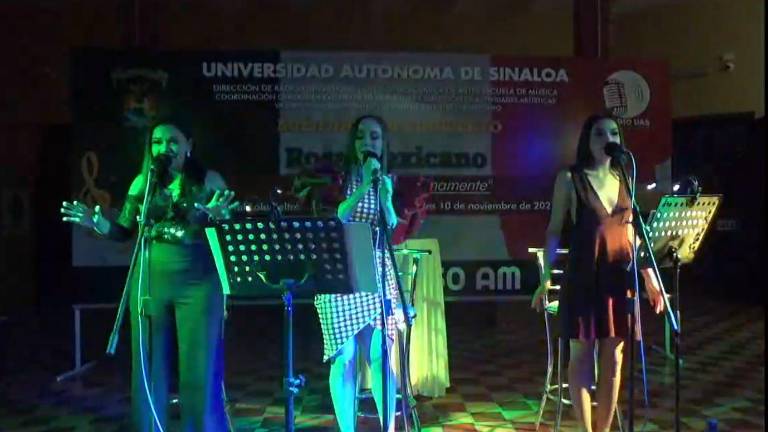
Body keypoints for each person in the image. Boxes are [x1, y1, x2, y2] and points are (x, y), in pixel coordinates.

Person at [61, 118, 238, 431]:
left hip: (198, 284)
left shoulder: (208, 180)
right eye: (156, 142)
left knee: (199, 369)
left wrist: (219, 218)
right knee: (148, 368)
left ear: (188, 145)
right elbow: (123, 231)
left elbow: (230, 231)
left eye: (172, 141)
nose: (163, 148)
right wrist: (96, 223)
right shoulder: (143, 183)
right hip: (150, 283)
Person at [531, 114, 664, 432]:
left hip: (619, 279)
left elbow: (633, 234)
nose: (608, 139)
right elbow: (554, 230)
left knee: (614, 358)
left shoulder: (625, 177)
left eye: (613, 133)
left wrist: (650, 279)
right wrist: (545, 277)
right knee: (581, 355)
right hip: (584, 276)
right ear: (587, 141)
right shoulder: (570, 178)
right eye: (599, 134)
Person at [314, 115, 403, 432]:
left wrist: (384, 197)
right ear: (352, 142)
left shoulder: (388, 179)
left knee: (379, 354)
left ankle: (389, 428)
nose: (368, 142)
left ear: (383, 143)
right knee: (345, 356)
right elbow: (338, 216)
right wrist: (364, 184)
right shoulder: (337, 177)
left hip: (375, 270)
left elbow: (392, 225)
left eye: (374, 137)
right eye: (361, 136)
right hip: (340, 271)